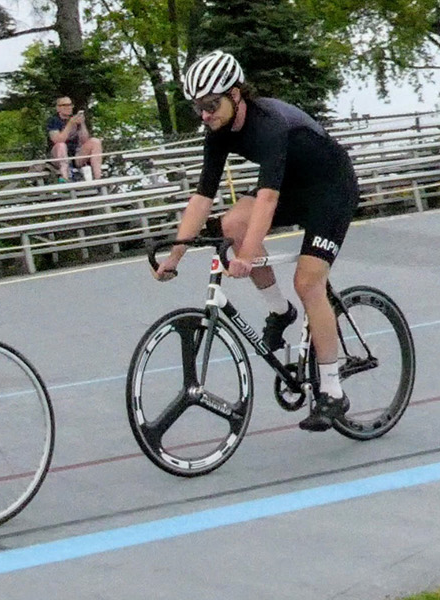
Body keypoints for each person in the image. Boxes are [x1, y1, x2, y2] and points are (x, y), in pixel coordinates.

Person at [151, 50, 359, 432]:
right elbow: (202, 198)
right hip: (292, 188)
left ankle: (332, 391)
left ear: (235, 94)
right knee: (231, 223)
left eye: (211, 105)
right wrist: (174, 256)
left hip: (330, 189)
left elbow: (267, 199)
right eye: (198, 107)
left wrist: (247, 256)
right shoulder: (216, 132)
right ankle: (280, 312)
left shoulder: (271, 123)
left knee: (308, 282)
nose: (204, 114)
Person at [47, 96, 104, 181]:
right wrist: (70, 124)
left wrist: (82, 124)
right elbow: (57, 140)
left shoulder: (74, 119)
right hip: (58, 157)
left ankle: (98, 177)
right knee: (61, 145)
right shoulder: (53, 121)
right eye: (65, 105)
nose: (69, 107)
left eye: (70, 105)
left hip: (76, 155)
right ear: (58, 108)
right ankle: (65, 178)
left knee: (95, 141)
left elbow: (84, 140)